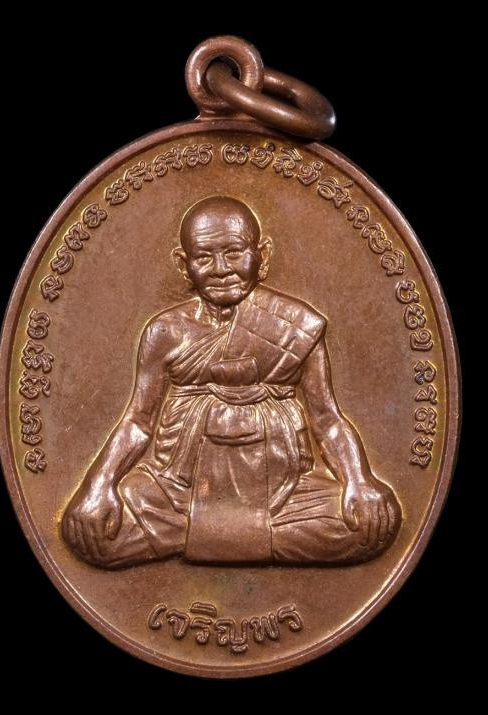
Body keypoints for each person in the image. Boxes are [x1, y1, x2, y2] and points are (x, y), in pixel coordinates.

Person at [62, 195, 401, 568]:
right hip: (178, 490)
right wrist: (100, 484)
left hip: (283, 492)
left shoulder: (296, 325)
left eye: (234, 253)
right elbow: (139, 421)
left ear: (261, 256)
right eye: (204, 257)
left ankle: (202, 536)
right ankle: (241, 536)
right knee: (92, 535)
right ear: (184, 265)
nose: (221, 269)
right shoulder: (166, 332)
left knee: (373, 524)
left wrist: (358, 481)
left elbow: (327, 419)